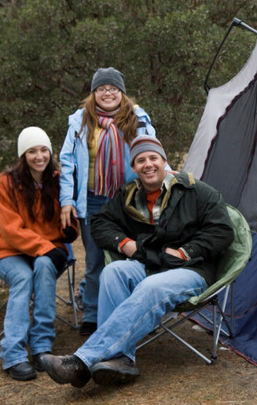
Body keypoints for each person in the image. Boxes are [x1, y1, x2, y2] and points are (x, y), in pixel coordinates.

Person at [40, 135, 234, 387]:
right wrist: (125, 244)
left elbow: (222, 231)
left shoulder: (195, 190)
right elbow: (100, 223)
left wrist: (187, 251)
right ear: (133, 168)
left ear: (164, 161)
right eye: (140, 160)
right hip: (151, 263)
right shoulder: (130, 196)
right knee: (114, 271)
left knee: (151, 287)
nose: (147, 164)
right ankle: (120, 361)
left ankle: (82, 361)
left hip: (191, 270)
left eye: (153, 157)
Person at [59, 67, 166, 336]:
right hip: (93, 201)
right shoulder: (79, 121)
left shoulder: (138, 118)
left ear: (121, 92)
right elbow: (67, 162)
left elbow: (150, 151)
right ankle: (93, 315)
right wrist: (66, 200)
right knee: (95, 260)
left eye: (113, 88)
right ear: (94, 93)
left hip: (131, 200)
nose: (108, 93)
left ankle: (137, 312)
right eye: (102, 89)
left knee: (133, 255)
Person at [0, 127, 78, 381]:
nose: (39, 156)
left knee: (42, 268)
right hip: (10, 251)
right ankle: (13, 354)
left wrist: (70, 229)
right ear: (23, 155)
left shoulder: (60, 179)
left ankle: (41, 347)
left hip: (47, 252)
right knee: (23, 278)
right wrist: (46, 248)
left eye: (43, 150)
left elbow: (70, 218)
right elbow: (9, 229)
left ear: (50, 152)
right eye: (32, 151)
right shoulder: (5, 182)